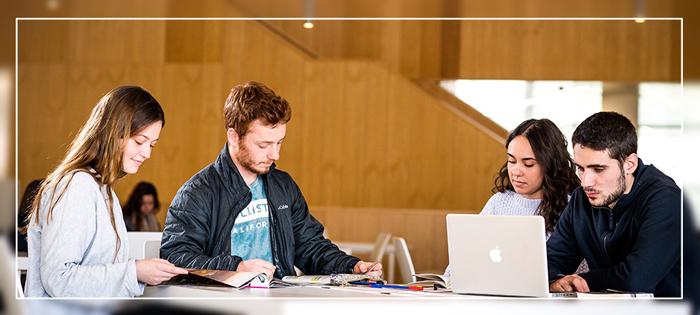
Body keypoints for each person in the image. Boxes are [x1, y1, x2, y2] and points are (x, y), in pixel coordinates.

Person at [160, 81, 382, 279]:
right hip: (224, 304)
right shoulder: (197, 193)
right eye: (263, 145)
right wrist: (235, 267)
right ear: (233, 136)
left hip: (277, 302)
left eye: (279, 143)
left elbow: (310, 246)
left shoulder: (283, 185)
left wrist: (351, 266)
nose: (275, 155)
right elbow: (176, 256)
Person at [24, 86, 188, 297]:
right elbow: (59, 278)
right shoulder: (77, 187)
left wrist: (138, 271)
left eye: (152, 145)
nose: (146, 153)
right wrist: (134, 271)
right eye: (140, 141)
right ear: (113, 133)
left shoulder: (102, 190)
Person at [547, 111, 680, 297]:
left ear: (629, 164)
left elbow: (637, 278)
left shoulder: (666, 199)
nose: (586, 182)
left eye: (598, 169)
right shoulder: (581, 200)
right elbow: (549, 264)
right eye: (581, 169)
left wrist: (584, 280)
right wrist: (556, 281)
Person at [444, 118, 581, 280]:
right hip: (497, 292)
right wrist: (446, 281)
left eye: (528, 164)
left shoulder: (572, 206)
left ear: (550, 165)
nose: (516, 171)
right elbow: (466, 256)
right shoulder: (499, 202)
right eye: (511, 161)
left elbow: (581, 270)